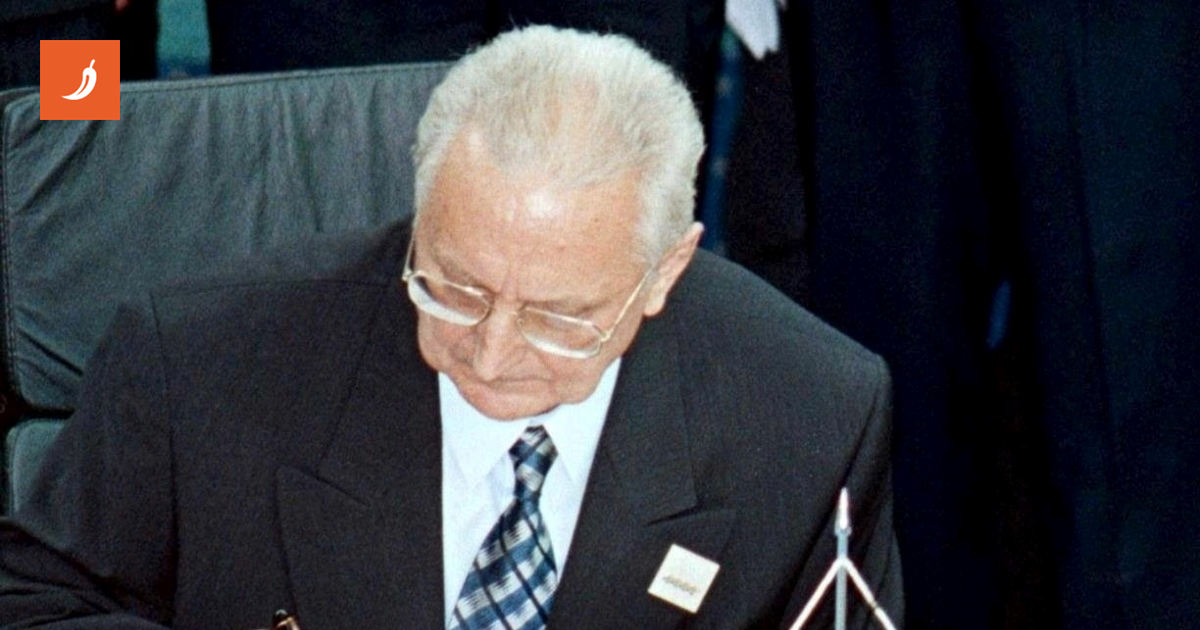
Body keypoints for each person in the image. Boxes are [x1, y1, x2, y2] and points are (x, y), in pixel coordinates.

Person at [0, 26, 902, 629]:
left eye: (560, 317)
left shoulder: (810, 415)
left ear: (666, 270)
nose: (492, 355)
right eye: (456, 288)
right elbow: (33, 602)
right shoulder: (200, 360)